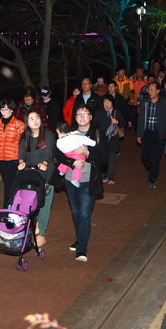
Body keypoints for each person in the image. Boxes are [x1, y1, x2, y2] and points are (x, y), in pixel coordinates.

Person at [55, 105, 108, 262]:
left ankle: (82, 248)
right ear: (75, 117)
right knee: (76, 212)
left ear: (91, 117)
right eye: (79, 114)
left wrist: (87, 154)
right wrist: (72, 163)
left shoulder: (97, 135)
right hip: (70, 180)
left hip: (88, 180)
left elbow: (104, 159)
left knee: (84, 213)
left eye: (85, 114)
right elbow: (58, 153)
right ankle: (80, 238)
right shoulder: (69, 133)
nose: (82, 116)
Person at [17, 110, 56, 247]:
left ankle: (42, 233)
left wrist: (44, 163)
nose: (35, 121)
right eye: (32, 118)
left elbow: (48, 152)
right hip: (31, 174)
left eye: (37, 118)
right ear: (27, 122)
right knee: (30, 202)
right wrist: (21, 161)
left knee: (44, 204)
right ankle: (31, 226)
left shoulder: (48, 135)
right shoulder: (24, 136)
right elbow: (21, 153)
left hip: (46, 174)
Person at [0, 99, 25, 208]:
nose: (4, 111)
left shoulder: (19, 124)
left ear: (12, 110)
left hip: (14, 159)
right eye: (2, 109)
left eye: (7, 109)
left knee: (9, 185)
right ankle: (15, 203)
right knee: (10, 184)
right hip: (1, 161)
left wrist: (23, 159)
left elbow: (24, 143)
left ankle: (7, 207)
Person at [137, 82, 166, 188]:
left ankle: (152, 178)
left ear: (158, 91)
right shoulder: (145, 102)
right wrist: (139, 134)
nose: (150, 91)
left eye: (152, 89)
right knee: (144, 156)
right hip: (147, 133)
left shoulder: (164, 103)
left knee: (156, 157)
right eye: (149, 89)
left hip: (159, 134)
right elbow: (140, 120)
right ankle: (152, 168)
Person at [96, 95, 127, 184]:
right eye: (105, 102)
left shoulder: (117, 112)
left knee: (111, 157)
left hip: (112, 139)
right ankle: (105, 174)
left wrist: (117, 122)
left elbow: (124, 122)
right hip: (102, 139)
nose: (107, 104)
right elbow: (94, 124)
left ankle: (111, 177)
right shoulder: (99, 113)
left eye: (109, 102)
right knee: (103, 158)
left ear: (112, 103)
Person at [55, 122, 97, 187]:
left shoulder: (59, 141)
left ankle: (62, 170)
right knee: (80, 163)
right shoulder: (76, 136)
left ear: (62, 133)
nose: (58, 136)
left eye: (58, 133)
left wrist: (65, 150)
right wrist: (93, 143)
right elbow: (86, 140)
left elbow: (58, 148)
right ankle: (75, 179)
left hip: (67, 153)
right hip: (76, 153)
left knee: (67, 160)